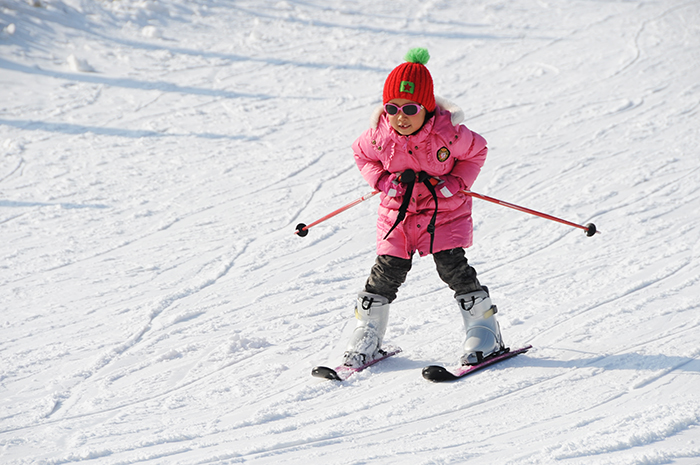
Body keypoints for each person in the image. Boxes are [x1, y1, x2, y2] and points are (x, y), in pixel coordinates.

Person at [343, 48, 505, 368]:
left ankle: (484, 330)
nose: (400, 117)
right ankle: (367, 332)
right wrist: (381, 180)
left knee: (452, 267)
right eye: (392, 108)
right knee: (386, 272)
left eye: (410, 108)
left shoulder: (449, 134)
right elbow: (362, 156)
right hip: (398, 216)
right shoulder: (380, 136)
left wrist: (458, 181)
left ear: (427, 108)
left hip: (442, 213)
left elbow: (477, 151)